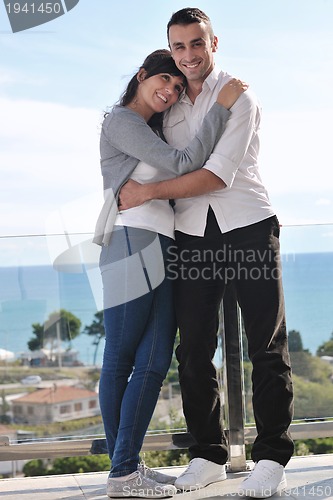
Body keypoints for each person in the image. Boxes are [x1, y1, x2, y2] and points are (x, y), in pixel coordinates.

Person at [118, 8, 294, 499]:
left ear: (213, 44)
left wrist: (148, 195)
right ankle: (207, 454)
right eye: (179, 47)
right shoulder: (168, 103)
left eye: (197, 44)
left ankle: (272, 457)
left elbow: (217, 175)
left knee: (266, 344)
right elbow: (130, 140)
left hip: (249, 226)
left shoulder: (239, 94)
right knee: (193, 348)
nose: (189, 55)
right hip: (191, 234)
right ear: (170, 51)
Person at [93, 48, 247, 499]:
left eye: (178, 86)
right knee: (121, 356)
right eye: (164, 79)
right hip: (129, 241)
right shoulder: (121, 120)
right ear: (141, 76)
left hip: (165, 243)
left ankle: (129, 466)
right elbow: (183, 165)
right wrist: (221, 107)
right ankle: (122, 473)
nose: (171, 89)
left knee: (158, 358)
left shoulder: (153, 128)